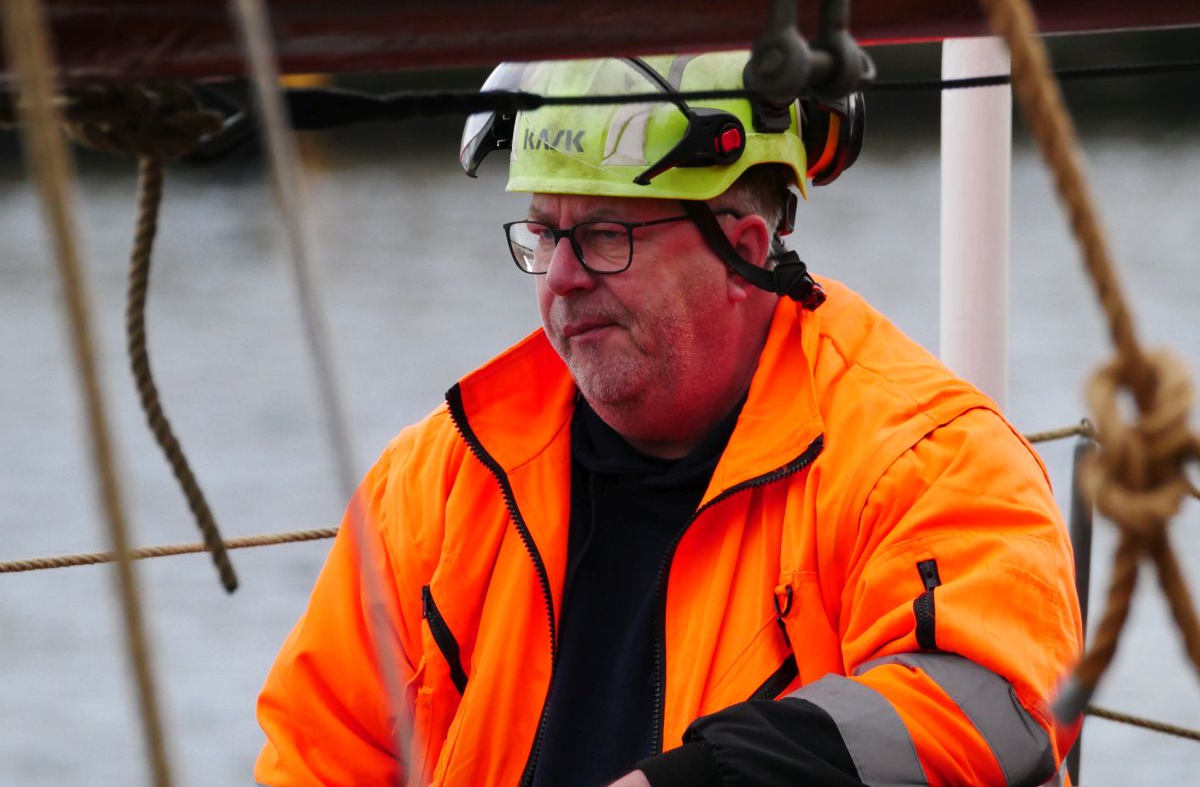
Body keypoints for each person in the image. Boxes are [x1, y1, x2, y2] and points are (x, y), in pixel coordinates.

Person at [255, 52, 1083, 787]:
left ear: (744, 252)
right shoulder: (439, 483)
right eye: (543, 233)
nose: (563, 276)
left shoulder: (926, 457)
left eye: (605, 235)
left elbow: (1000, 702)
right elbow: (317, 754)